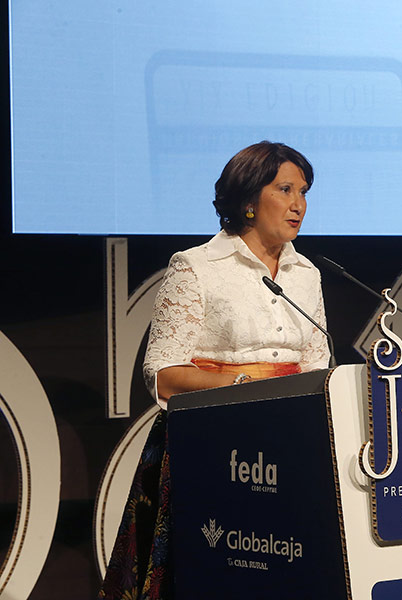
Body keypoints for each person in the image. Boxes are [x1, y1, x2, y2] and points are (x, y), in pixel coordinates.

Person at [98, 141, 330, 600]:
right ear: (248, 200)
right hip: (214, 448)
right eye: (285, 189)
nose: (298, 204)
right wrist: (243, 386)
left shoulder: (307, 274)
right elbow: (163, 374)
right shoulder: (196, 267)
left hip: (291, 447)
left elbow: (319, 366)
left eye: (303, 192)